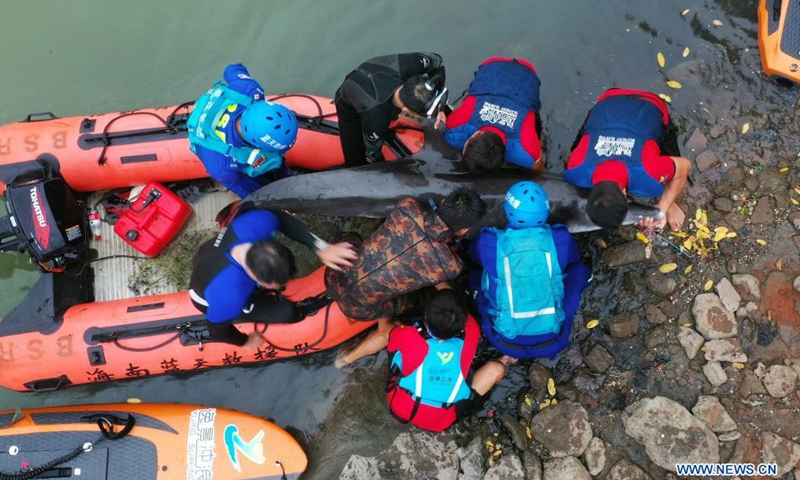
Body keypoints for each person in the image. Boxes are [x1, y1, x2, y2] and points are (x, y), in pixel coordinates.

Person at [327, 187, 487, 366]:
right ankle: (371, 338)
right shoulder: (450, 265)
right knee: (417, 301)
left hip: (332, 274)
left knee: (353, 239)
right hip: (360, 309)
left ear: (443, 203)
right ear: (464, 231)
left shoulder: (408, 206)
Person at [189, 205, 357, 350]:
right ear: (255, 278)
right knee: (288, 313)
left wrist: (320, 247)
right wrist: (245, 341)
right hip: (204, 294)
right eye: (274, 285)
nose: (279, 288)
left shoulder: (257, 223)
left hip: (210, 256)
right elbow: (218, 330)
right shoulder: (231, 296)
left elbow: (281, 218)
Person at [468, 181, 592, 359]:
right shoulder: (560, 237)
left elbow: (473, 255)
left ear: (508, 211)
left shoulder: (490, 241)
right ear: (546, 211)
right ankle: (589, 276)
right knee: (579, 268)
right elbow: (573, 258)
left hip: (504, 342)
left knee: (475, 275)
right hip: (553, 341)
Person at [563, 88, 691, 231]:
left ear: (625, 192)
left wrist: (662, 209)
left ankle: (670, 205)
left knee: (669, 164)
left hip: (649, 104)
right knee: (577, 146)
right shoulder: (576, 166)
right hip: (608, 100)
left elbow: (684, 166)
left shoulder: (648, 171)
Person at [386, 289, 510, 432]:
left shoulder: (410, 336)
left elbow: (389, 334)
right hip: (441, 420)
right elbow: (459, 312)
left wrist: (383, 313)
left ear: (426, 314)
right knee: (497, 369)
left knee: (394, 345)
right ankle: (508, 358)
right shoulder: (472, 332)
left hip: (401, 409)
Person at [187, 63, 299, 198]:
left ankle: (283, 175)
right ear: (257, 144)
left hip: (223, 110)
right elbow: (250, 192)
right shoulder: (222, 166)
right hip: (209, 140)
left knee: (275, 163)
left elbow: (232, 69)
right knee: (260, 177)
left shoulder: (250, 90)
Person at [335, 52, 448, 167]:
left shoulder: (414, 63)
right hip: (349, 100)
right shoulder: (376, 119)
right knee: (355, 163)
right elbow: (372, 155)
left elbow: (438, 63)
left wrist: (441, 108)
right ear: (406, 110)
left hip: (378, 80)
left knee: (389, 110)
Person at [444, 57, 544, 173]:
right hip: (495, 66)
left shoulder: (527, 146)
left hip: (518, 71)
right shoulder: (461, 120)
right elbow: (539, 169)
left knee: (535, 130)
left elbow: (539, 167)